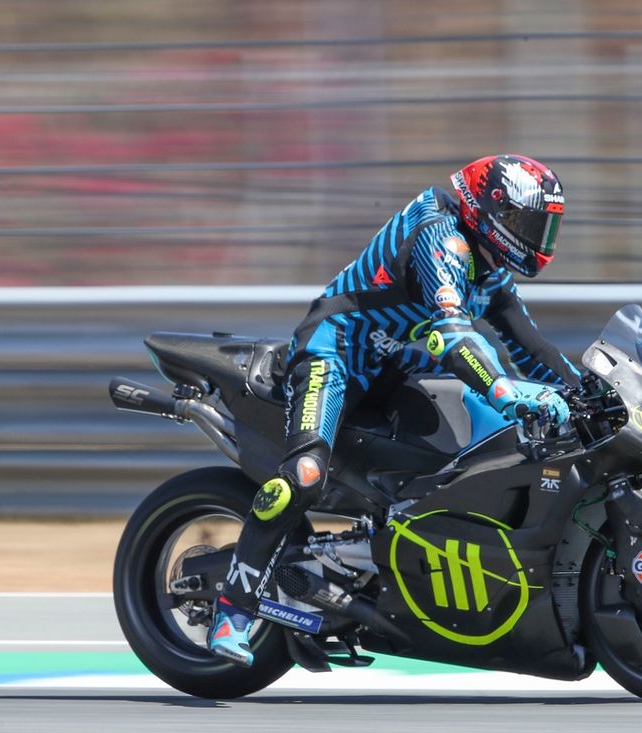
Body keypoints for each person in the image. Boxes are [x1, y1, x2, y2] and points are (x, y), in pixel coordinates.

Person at [208, 154, 581, 665]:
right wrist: (503, 389)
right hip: (334, 354)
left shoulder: (487, 263)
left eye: (543, 225)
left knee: (468, 450)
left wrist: (585, 393)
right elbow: (455, 336)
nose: (537, 236)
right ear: (489, 210)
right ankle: (234, 608)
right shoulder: (441, 239)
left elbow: (529, 345)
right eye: (527, 223)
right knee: (304, 473)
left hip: (392, 363)